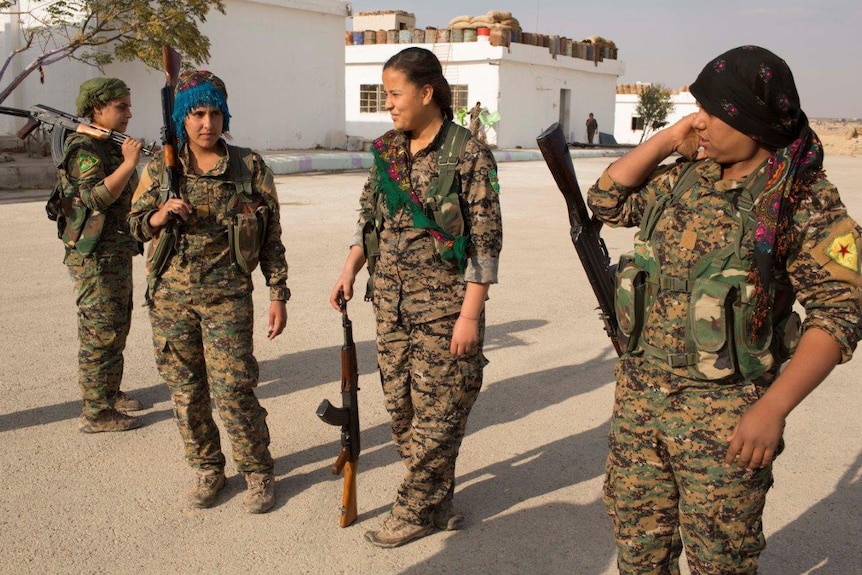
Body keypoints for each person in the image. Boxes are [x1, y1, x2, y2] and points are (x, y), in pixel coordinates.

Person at [588, 45, 861, 573]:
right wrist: (670, 139)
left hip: (727, 418)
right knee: (639, 551)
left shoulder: (801, 201)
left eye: (714, 113)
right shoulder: (685, 177)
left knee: (722, 559)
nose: (700, 123)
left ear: (752, 120)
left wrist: (773, 408)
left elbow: (840, 312)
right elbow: (606, 201)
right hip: (641, 405)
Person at [330, 47, 502, 548]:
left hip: (446, 313)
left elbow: (486, 242)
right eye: (385, 94)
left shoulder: (468, 153)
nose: (388, 103)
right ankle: (437, 497)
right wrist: (349, 268)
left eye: (394, 93)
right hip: (390, 307)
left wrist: (470, 315)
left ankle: (413, 510)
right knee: (402, 412)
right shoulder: (386, 149)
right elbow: (369, 217)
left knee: (440, 414)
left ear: (427, 93)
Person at [128, 70, 290, 514]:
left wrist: (278, 292)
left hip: (227, 301)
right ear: (182, 117)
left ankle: (258, 471)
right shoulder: (162, 168)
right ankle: (208, 468)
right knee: (185, 391)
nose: (207, 123)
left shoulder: (248, 166)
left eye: (215, 112)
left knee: (235, 389)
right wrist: (159, 215)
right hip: (171, 301)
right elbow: (134, 225)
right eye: (197, 113)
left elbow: (271, 236)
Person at [62, 77, 145, 434]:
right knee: (100, 331)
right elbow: (95, 197)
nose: (129, 113)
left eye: (128, 105)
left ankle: (108, 391)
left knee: (116, 324)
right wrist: (128, 164)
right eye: (120, 107)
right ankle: (96, 412)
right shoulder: (84, 147)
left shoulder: (110, 143)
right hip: (94, 256)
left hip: (115, 249)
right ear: (97, 109)